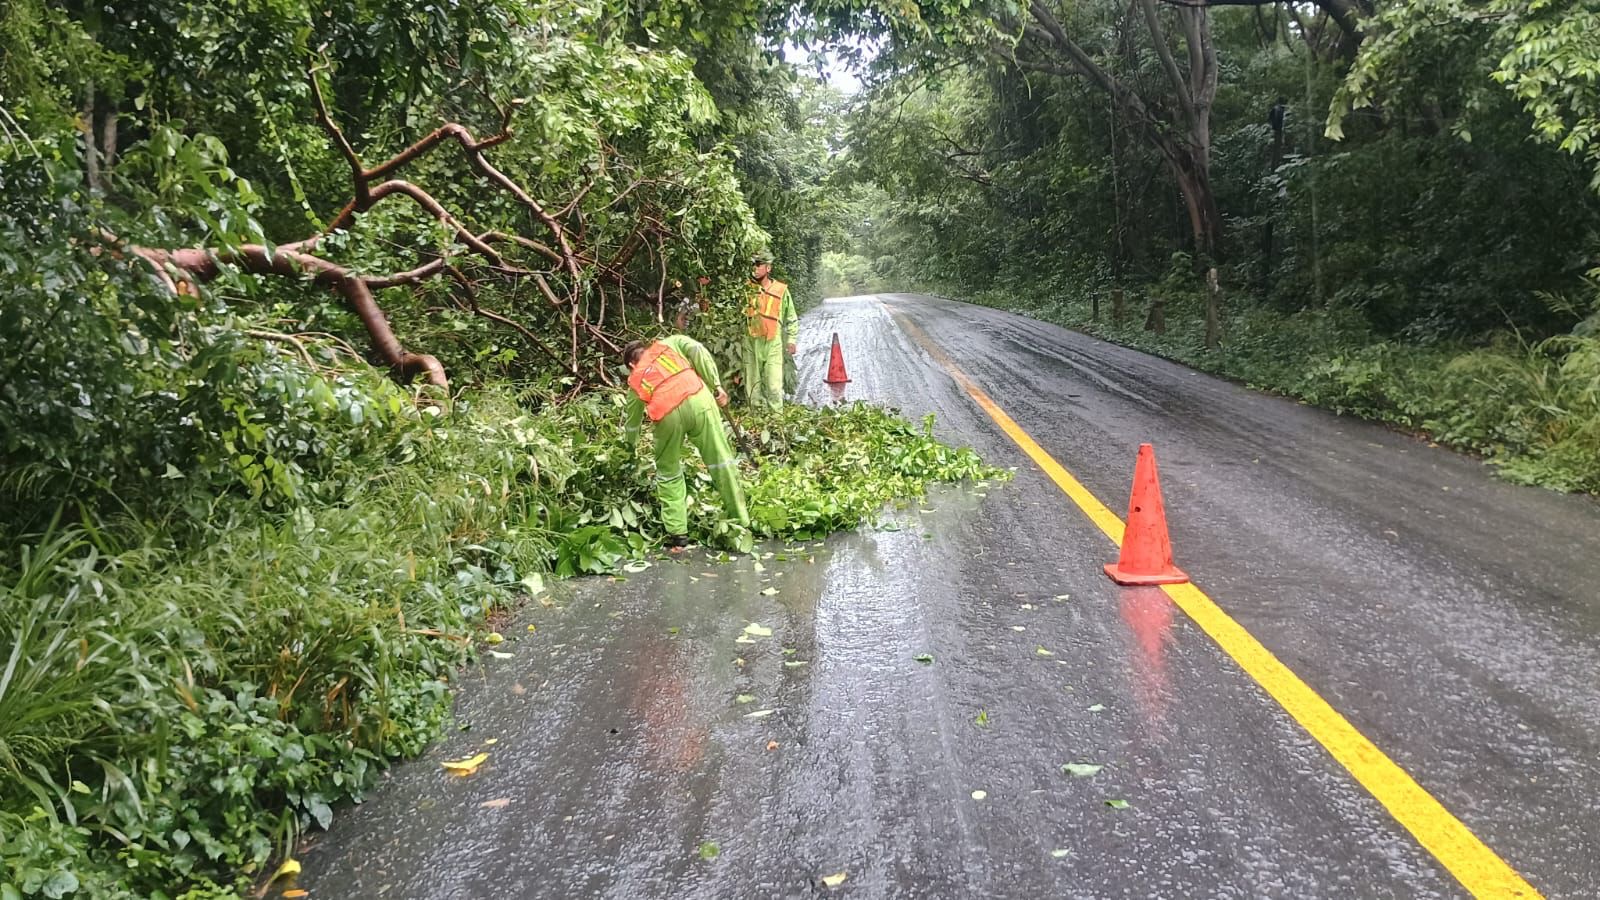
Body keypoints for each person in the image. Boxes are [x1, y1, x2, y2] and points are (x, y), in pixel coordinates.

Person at [622, 335, 751, 550]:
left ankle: (678, 534)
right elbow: (697, 350)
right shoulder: (668, 344)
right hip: (699, 398)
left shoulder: (635, 379)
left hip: (667, 415)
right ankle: (741, 520)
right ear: (647, 348)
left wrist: (629, 451)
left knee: (668, 471)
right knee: (721, 459)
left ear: (631, 365)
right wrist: (716, 385)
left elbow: (632, 424)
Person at [743, 251, 796, 410]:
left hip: (773, 343)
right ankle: (757, 420)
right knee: (753, 388)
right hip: (751, 343)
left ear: (768, 268)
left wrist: (792, 340)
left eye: (759, 264)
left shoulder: (781, 290)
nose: (755, 268)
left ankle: (777, 420)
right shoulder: (746, 289)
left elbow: (791, 317)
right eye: (753, 265)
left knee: (774, 386)